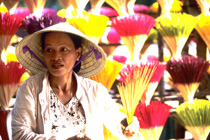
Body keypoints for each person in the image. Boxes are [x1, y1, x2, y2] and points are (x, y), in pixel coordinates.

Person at [12, 22, 139, 140]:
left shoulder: (95, 91)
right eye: (49, 50)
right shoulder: (30, 88)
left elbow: (116, 120)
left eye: (64, 49)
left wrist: (127, 124)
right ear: (43, 54)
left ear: (78, 53)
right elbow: (19, 134)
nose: (56, 57)